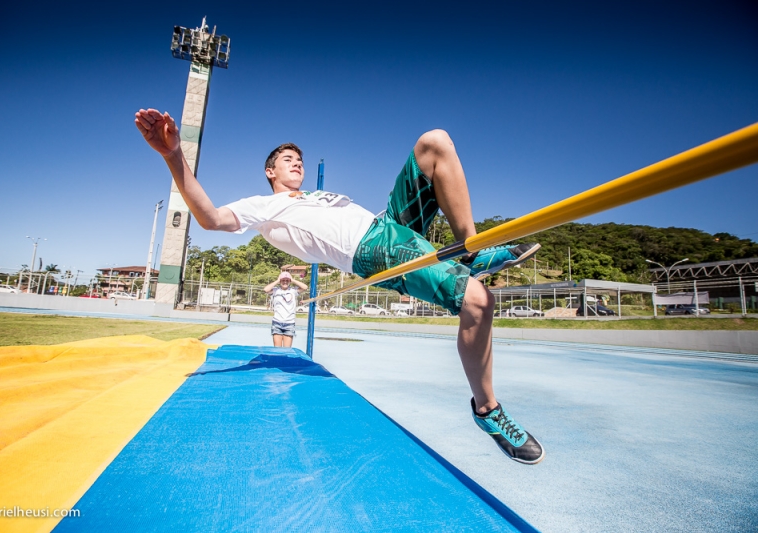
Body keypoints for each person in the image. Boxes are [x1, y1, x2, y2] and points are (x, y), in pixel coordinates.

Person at [135, 108, 544, 464]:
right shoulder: (262, 207)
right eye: (287, 159)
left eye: (299, 158)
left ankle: (468, 250)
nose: (297, 163)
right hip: (372, 249)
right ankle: (488, 409)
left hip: (387, 224)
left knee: (434, 142)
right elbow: (209, 217)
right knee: (477, 301)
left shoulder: (311, 194)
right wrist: (174, 155)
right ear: (269, 171)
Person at [263, 271, 308, 347]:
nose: (285, 282)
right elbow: (266, 289)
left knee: (287, 350)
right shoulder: (275, 290)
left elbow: (305, 287)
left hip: (289, 323)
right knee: (277, 350)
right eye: (283, 280)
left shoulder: (293, 291)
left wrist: (293, 280)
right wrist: (277, 280)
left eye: (287, 280)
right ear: (280, 281)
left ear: (289, 281)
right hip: (277, 322)